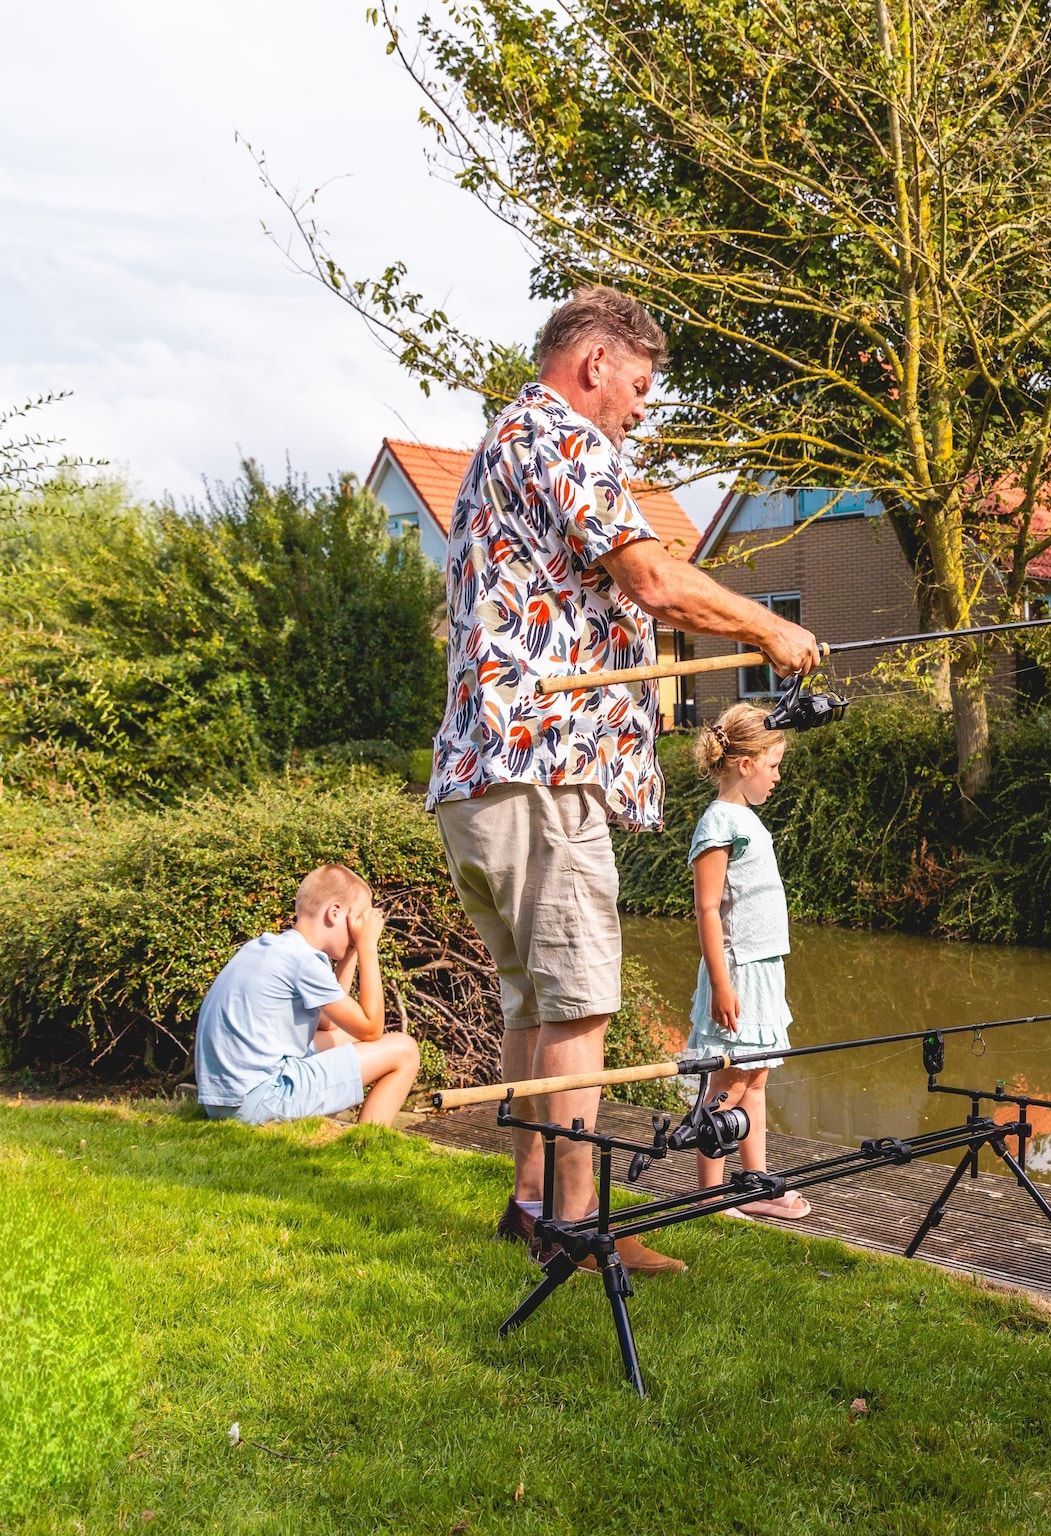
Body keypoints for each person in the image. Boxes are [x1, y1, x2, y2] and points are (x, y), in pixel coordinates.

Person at [427, 285, 819, 1275]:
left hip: (486, 771)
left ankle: (532, 1204)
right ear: (593, 362)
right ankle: (578, 1224)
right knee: (579, 1003)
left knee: (532, 1005)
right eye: (639, 385)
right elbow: (652, 580)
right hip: (543, 768)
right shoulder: (559, 436)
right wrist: (770, 626)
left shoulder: (506, 439)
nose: (641, 408)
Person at [684, 703, 810, 1219]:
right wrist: (720, 984)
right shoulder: (719, 822)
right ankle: (710, 1197)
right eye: (774, 765)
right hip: (735, 971)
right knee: (729, 1083)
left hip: (763, 969)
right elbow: (707, 908)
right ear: (745, 763)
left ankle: (756, 1187)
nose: (778, 776)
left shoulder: (746, 819)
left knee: (755, 1079)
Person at [194, 865, 421, 1128]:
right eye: (356, 919)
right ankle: (366, 1146)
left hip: (225, 1101)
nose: (360, 929)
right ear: (335, 912)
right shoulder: (303, 961)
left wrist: (351, 951)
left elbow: (329, 1024)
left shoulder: (268, 947)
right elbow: (371, 1028)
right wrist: (367, 946)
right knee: (404, 1050)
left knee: (349, 1035)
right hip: (260, 1100)